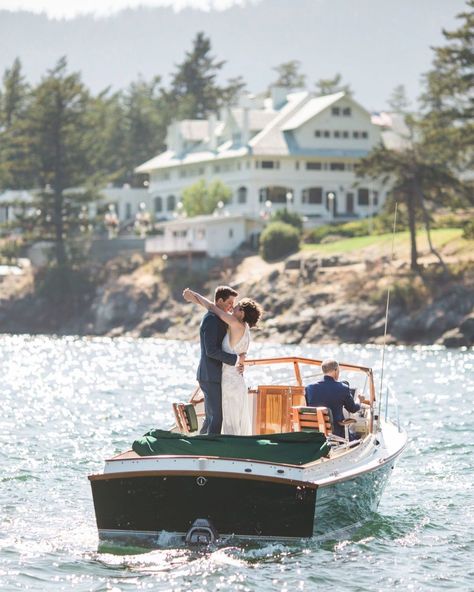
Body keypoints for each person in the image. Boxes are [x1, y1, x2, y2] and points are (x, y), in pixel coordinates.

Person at [183, 286, 262, 435]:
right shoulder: (236, 325)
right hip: (222, 376)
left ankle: (210, 447)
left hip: (228, 378)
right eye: (231, 303)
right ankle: (206, 447)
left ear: (243, 313)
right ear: (221, 300)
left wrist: (194, 295)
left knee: (221, 418)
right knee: (220, 418)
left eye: (236, 306)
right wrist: (239, 359)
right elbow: (220, 350)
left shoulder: (234, 323)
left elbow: (212, 306)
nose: (233, 307)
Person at [305, 359, 364, 438]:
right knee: (358, 436)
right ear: (336, 370)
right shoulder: (343, 388)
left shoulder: (309, 388)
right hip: (336, 435)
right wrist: (359, 401)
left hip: (316, 434)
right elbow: (353, 409)